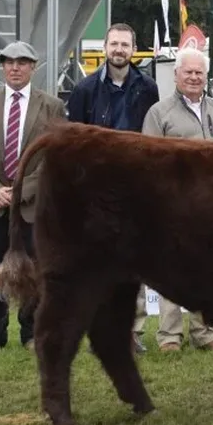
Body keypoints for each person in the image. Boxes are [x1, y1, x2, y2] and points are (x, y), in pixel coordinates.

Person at [0, 41, 66, 353]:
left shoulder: (51, 106)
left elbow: (55, 154)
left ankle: (32, 333)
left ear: (33, 67)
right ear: (2, 67)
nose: (15, 67)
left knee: (35, 269)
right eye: (9, 62)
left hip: (33, 206)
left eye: (22, 62)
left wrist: (24, 188)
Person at [68, 23, 159, 353]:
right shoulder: (85, 90)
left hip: (135, 188)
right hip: (96, 190)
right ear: (104, 47)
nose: (119, 49)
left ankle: (131, 332)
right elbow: (74, 143)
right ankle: (99, 332)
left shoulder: (148, 88)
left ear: (134, 50)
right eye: (114, 44)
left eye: (125, 44)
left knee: (134, 263)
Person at [141, 47, 213, 352]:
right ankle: (169, 337)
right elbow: (149, 160)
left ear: (206, 76)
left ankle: (203, 333)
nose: (194, 77)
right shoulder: (159, 113)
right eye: (188, 72)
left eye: (199, 73)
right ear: (176, 74)